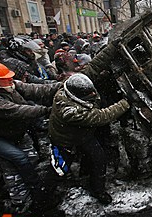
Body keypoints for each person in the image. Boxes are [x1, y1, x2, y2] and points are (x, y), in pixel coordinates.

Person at [0, 62, 61, 214]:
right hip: (1, 137)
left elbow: (37, 89)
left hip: (18, 133)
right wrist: (48, 110)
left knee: (31, 159)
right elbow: (17, 111)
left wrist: (63, 85)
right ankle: (20, 202)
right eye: (5, 78)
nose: (10, 80)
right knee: (14, 165)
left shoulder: (12, 86)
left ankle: (32, 187)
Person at [48, 73, 130, 205]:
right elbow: (103, 116)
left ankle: (97, 188)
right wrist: (126, 103)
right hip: (65, 141)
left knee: (98, 159)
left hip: (82, 135)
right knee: (59, 169)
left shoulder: (65, 90)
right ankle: (43, 200)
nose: (94, 95)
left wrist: (111, 51)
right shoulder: (71, 112)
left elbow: (94, 66)